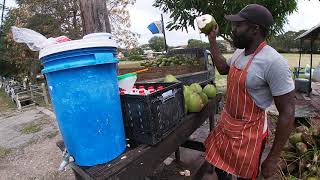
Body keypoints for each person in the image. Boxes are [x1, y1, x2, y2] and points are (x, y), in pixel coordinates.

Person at [204, 4, 295, 180]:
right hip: (227, 126)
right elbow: (223, 68)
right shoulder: (239, 52)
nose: (232, 30)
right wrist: (212, 41)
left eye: (238, 25)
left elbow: (288, 112)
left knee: (244, 176)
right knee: (221, 171)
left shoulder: (274, 62)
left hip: (249, 135)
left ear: (255, 29)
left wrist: (273, 158)